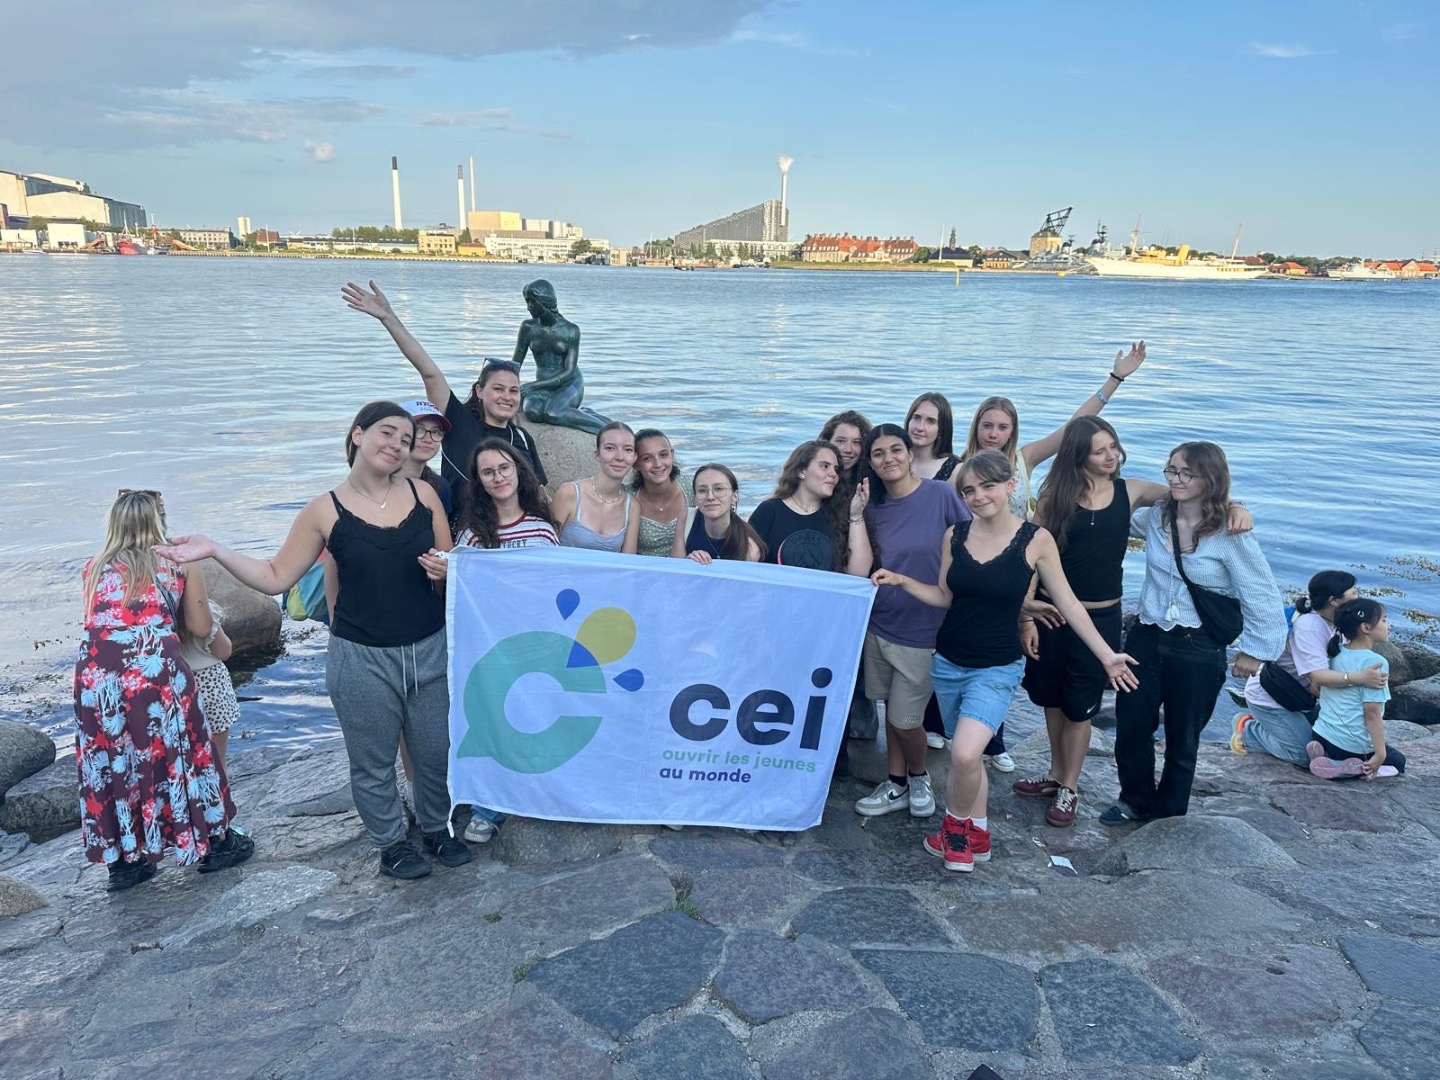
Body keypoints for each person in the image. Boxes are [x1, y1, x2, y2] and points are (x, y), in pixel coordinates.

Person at [156, 402, 472, 880]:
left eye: (405, 440)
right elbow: (275, 575)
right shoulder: (325, 510)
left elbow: (452, 566)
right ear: (358, 435)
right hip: (361, 656)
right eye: (387, 433)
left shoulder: (423, 495)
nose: (397, 445)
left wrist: (446, 570)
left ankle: (435, 828)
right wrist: (214, 550)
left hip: (429, 647)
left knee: (435, 751)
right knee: (372, 761)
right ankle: (391, 844)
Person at [872, 451, 1137, 872]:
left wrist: (1106, 654)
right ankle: (978, 834)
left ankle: (954, 836)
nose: (978, 496)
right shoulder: (955, 535)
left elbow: (1068, 603)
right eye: (969, 490)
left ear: (1010, 485)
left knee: (963, 754)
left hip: (997, 668)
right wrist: (903, 581)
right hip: (948, 663)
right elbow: (945, 596)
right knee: (970, 757)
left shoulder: (1035, 540)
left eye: (988, 486)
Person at [1015, 416, 1251, 825]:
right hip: (1052, 614)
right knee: (1051, 699)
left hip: (1102, 616)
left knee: (1081, 707)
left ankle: (1070, 787)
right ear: (1079, 456)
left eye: (1113, 447)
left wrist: (1235, 505)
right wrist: (1026, 616)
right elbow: (1034, 553)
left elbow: (1191, 494)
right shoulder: (1055, 496)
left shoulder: (1132, 491)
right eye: (1099, 450)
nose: (1111, 456)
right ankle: (1055, 774)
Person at [959, 341, 1148, 771]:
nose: (993, 434)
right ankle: (970, 735)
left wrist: (1115, 379)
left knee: (1013, 659)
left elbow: (1074, 430)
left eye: (1002, 427)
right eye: (987, 425)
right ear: (976, 428)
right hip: (979, 575)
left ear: (1012, 432)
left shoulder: (1023, 462)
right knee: (987, 657)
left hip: (1024, 573)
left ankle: (997, 742)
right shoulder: (959, 468)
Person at [1102, 441, 1288, 825]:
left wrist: (1255, 651)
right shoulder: (1157, 518)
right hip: (1146, 636)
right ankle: (1134, 799)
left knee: (1183, 737)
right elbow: (1113, 513)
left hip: (1198, 645)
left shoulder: (1230, 532)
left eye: (1188, 473)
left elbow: (1260, 593)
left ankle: (1168, 814)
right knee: (1132, 724)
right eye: (1172, 470)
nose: (1177, 479)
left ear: (1211, 478)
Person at [74, 490, 253, 892]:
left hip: (97, 679)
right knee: (183, 750)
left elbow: (102, 622)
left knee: (114, 759)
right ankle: (214, 842)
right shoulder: (176, 564)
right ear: (158, 522)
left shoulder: (93, 567)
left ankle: (126, 861)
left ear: (113, 523)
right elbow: (200, 626)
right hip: (154, 672)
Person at [852, 425, 969, 820]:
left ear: (909, 453)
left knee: (905, 719)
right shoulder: (870, 508)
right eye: (879, 453)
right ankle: (895, 782)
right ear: (870, 463)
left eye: (895, 449)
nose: (889, 459)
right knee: (890, 710)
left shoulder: (940, 495)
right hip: (880, 624)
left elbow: (971, 545)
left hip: (926, 629)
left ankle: (919, 777)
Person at [341, 280, 548, 491]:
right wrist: (388, 318)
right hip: (464, 513)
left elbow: (538, 491)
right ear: (479, 391)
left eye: (514, 391)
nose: (507, 396)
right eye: (498, 389)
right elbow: (429, 373)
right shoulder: (459, 422)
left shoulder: (522, 437)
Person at [1233, 571, 1387, 766]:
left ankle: (1285, 727)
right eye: (1353, 593)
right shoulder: (1309, 627)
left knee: (1331, 747)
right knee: (1303, 756)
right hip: (1273, 698)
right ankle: (1248, 729)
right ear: (1334, 600)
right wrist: (1359, 678)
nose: (1358, 597)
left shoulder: (1340, 622)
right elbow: (1318, 677)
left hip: (1302, 698)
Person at [1308, 598, 1405, 780]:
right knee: (1398, 761)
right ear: (1366, 627)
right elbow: (1372, 713)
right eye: (1384, 620)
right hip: (1349, 746)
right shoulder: (1375, 662)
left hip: (1321, 733)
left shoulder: (1335, 651)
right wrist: (1380, 754)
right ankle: (1356, 768)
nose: (1389, 626)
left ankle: (1323, 753)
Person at [748, 440, 872, 575]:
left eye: (836, 469)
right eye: (824, 466)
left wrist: (856, 515)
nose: (833, 474)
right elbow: (747, 564)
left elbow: (859, 573)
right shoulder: (769, 511)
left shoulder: (840, 513)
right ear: (801, 471)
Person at [512, 278, 608, 433]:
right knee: (533, 412)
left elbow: (568, 372)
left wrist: (533, 386)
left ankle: (606, 429)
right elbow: (515, 364)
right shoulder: (528, 327)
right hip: (543, 385)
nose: (528, 306)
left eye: (532, 301)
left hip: (569, 383)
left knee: (553, 413)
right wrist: (511, 388)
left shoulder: (570, 330)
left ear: (544, 301)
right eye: (527, 301)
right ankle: (585, 413)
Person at [551, 420, 641, 553]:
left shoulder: (631, 506)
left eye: (628, 450)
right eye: (610, 448)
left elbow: (628, 560)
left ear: (634, 457)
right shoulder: (569, 493)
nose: (620, 457)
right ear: (597, 455)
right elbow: (546, 547)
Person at [455, 438, 560, 551]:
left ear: (518, 469)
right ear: (479, 479)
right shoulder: (471, 535)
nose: (498, 478)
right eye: (488, 472)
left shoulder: (543, 532)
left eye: (504, 468)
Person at [180, 598, 240, 774]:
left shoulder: (159, 610)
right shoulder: (203, 609)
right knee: (218, 762)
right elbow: (224, 651)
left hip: (179, 686)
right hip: (212, 686)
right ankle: (221, 790)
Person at [685, 464, 765, 563]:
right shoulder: (686, 521)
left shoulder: (750, 548)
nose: (710, 497)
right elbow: (675, 568)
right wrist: (688, 562)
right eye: (702, 490)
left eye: (719, 489)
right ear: (695, 498)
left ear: (734, 496)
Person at [631, 428, 689, 558]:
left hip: (687, 567)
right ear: (635, 463)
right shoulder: (628, 496)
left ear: (672, 455)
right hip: (644, 568)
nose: (657, 464)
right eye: (647, 458)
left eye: (663, 455)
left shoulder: (692, 488)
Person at [906, 393, 961, 482]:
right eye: (916, 418)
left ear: (941, 429)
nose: (920, 427)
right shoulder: (893, 460)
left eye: (931, 421)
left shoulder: (954, 470)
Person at [819, 410, 873, 490]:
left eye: (856, 442)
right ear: (827, 442)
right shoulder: (813, 480)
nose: (848, 450)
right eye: (841, 441)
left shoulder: (872, 483)